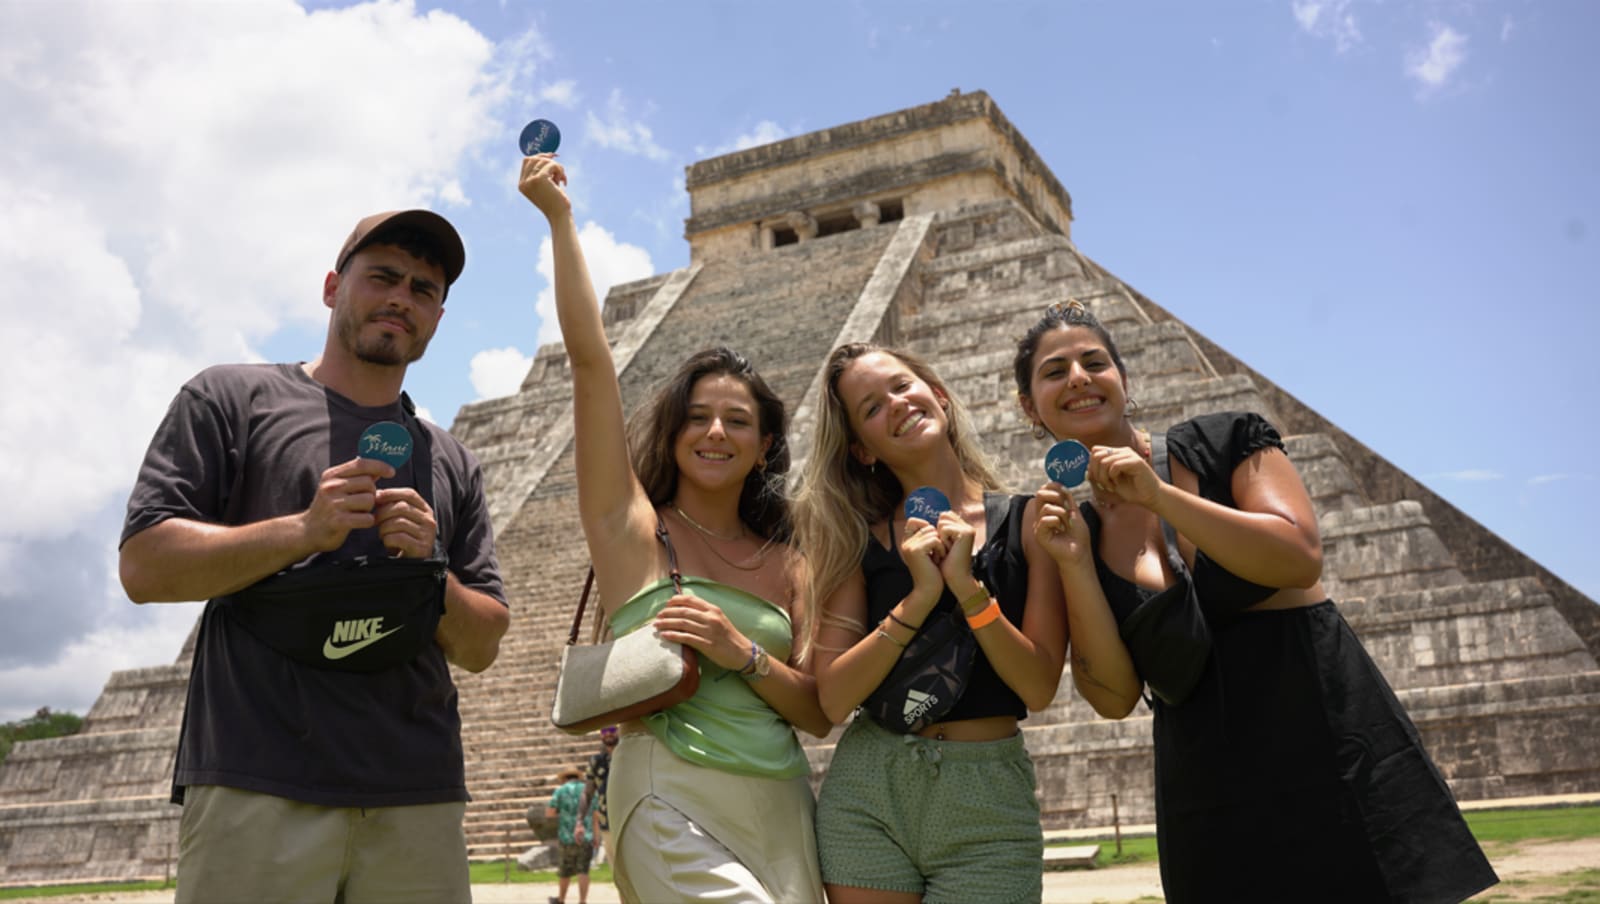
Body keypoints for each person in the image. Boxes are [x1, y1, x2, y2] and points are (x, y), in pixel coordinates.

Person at [1014, 299, 1498, 903]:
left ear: (1124, 380)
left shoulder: (1224, 441)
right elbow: (1112, 698)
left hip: (1325, 738)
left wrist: (1160, 496)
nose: (1079, 378)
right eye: (1055, 371)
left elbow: (1297, 555)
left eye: (1094, 361)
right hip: (1205, 779)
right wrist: (1075, 564)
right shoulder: (1067, 530)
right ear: (1029, 407)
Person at [118, 209, 510, 904]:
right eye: (382, 276)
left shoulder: (451, 460)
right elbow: (146, 566)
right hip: (258, 779)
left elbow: (481, 645)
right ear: (333, 288)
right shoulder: (232, 398)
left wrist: (431, 572)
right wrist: (302, 530)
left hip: (413, 794)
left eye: (423, 289)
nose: (401, 298)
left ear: (438, 319)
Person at [520, 153, 829, 903]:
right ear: (673, 432)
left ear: (764, 446)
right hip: (667, 794)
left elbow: (817, 711)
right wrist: (561, 222)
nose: (715, 431)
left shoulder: (794, 560)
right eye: (696, 417)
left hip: (784, 802)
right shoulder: (629, 531)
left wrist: (741, 651)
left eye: (738, 420)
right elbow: (593, 366)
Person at [793, 342, 1068, 903]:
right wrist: (919, 597)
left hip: (987, 796)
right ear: (862, 450)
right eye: (870, 408)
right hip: (871, 792)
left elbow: (1038, 685)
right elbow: (833, 696)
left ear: (938, 395)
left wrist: (968, 589)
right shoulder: (857, 540)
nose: (895, 405)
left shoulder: (1028, 518)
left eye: (901, 386)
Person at [546, 765, 597, 904]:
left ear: (564, 778)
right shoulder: (588, 791)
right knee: (583, 870)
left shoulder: (560, 791)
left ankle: (561, 899)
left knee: (565, 871)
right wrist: (596, 836)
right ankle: (582, 901)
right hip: (585, 835)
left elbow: (549, 812)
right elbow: (595, 814)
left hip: (566, 836)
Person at [576, 726, 617, 867]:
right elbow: (587, 793)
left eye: (612, 729)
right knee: (617, 873)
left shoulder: (629, 756)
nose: (608, 734)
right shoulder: (596, 762)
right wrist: (579, 822)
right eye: (604, 731)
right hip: (607, 825)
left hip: (631, 823)